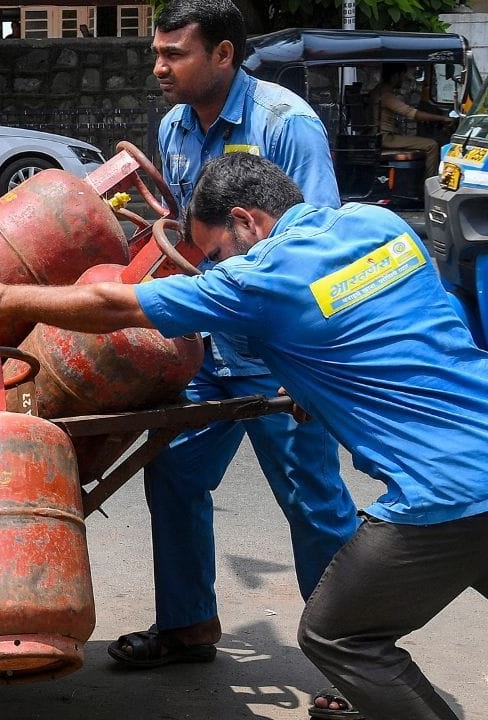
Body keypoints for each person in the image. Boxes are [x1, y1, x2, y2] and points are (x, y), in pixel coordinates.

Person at [0, 151, 488, 720]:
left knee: (338, 636)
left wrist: (2, 299)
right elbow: (396, 327)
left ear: (247, 220)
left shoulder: (263, 278)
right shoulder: (380, 225)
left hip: (443, 494)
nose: (217, 268)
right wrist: (316, 384)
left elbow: (114, 304)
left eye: (219, 253)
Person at [107, 0, 360, 690]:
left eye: (175, 54)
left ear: (224, 54)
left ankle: (352, 665)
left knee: (314, 504)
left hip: (282, 357)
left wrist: (310, 370)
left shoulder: (287, 125)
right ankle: (188, 626)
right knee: (175, 474)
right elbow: (189, 238)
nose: (159, 68)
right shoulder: (174, 127)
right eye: (157, 53)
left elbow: (322, 252)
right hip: (205, 350)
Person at [371, 63, 456, 177]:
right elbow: (412, 113)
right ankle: (429, 182)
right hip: (386, 138)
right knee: (432, 145)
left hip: (379, 136)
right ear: (396, 76)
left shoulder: (377, 91)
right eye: (403, 76)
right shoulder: (386, 95)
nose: (404, 80)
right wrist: (443, 118)